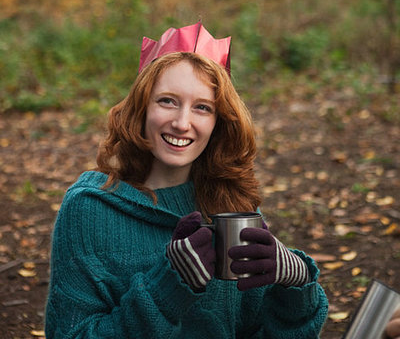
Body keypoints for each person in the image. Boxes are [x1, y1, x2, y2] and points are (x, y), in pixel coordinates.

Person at [45, 22, 328, 338]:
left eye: (202, 108)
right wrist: (167, 288)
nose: (182, 123)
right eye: (167, 100)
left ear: (218, 122)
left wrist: (296, 283)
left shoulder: (230, 207)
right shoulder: (90, 210)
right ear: (142, 107)